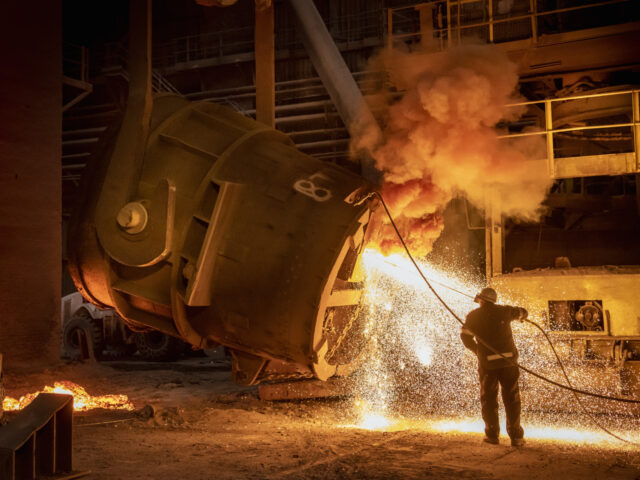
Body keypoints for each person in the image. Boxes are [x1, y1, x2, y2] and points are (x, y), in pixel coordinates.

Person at [460, 287, 527, 447]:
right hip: (508, 362)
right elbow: (523, 312)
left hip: (488, 364)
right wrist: (522, 316)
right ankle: (516, 437)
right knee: (512, 398)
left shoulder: (473, 316)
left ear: (480, 300)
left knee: (489, 399)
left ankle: (492, 435)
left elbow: (465, 337)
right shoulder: (505, 311)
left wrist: (478, 351)